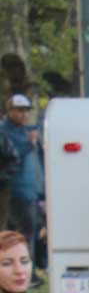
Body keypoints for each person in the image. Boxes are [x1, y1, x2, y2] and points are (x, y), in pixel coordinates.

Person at [2, 95, 44, 261]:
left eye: (26, 111)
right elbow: (12, 155)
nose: (24, 115)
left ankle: (28, 271)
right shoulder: (4, 131)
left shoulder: (23, 130)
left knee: (29, 232)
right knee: (20, 235)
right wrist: (30, 142)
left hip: (30, 192)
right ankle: (21, 269)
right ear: (9, 111)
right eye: (20, 111)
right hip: (15, 191)